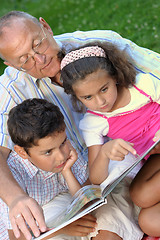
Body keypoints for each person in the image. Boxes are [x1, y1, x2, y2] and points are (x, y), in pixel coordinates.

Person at [0, 10, 160, 240]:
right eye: (25, 60)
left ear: (46, 27)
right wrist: (15, 198)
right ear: (11, 64)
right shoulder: (10, 88)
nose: (40, 59)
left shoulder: (101, 45)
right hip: (75, 185)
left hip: (122, 171)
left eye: (38, 45)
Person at [60, 42, 160, 237]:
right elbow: (96, 179)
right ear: (77, 97)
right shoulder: (94, 122)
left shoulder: (142, 87)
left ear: (114, 77)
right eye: (88, 97)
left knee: (143, 196)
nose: (100, 102)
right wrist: (105, 154)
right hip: (155, 159)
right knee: (145, 212)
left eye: (104, 89)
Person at [1, 98, 99, 240]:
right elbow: (16, 237)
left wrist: (67, 172)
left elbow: (86, 204)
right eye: (48, 152)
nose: (60, 156)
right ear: (22, 152)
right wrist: (62, 228)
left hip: (56, 212)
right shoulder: (13, 176)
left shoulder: (66, 150)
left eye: (63, 142)